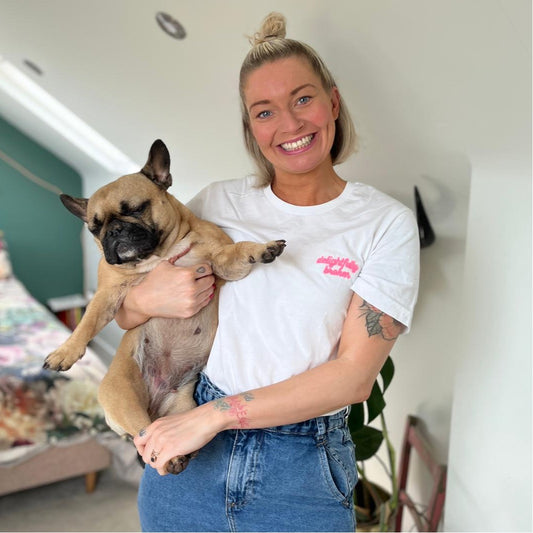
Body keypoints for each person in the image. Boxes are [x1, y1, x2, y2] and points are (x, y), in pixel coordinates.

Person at [116, 12, 419, 532]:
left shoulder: (384, 224)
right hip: (187, 458)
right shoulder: (215, 202)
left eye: (303, 99)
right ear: (251, 129)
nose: (290, 124)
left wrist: (213, 417)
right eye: (265, 111)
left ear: (334, 103)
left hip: (300, 471)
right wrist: (146, 301)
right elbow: (126, 309)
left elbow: (353, 377)